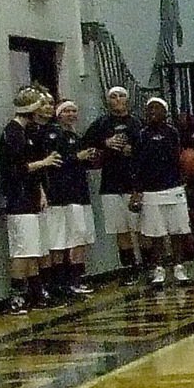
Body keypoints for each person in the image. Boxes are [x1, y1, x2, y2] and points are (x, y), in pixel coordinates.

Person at [0, 87, 62, 314]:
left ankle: (37, 292)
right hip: (18, 199)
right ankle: (17, 297)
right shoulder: (13, 132)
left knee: (33, 248)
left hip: (30, 197)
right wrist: (44, 162)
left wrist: (41, 192)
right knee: (22, 250)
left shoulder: (27, 132)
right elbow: (16, 168)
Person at [81, 86, 143, 285]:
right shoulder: (101, 124)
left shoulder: (137, 123)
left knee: (141, 227)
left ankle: (149, 266)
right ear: (108, 101)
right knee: (120, 229)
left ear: (127, 99)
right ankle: (129, 268)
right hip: (111, 183)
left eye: (121, 96)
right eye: (113, 97)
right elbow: (83, 146)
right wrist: (104, 144)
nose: (117, 100)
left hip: (134, 182)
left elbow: (147, 149)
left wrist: (132, 150)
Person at [135, 97, 192, 287]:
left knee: (177, 230)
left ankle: (178, 266)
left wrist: (185, 177)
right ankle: (158, 268)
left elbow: (182, 158)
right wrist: (137, 191)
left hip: (174, 187)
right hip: (151, 191)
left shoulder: (173, 133)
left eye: (156, 108)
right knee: (156, 234)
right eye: (149, 109)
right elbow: (138, 165)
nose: (152, 112)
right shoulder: (142, 135)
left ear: (165, 112)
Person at [44, 101, 99, 299]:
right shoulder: (54, 135)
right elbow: (56, 163)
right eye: (66, 111)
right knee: (64, 239)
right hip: (63, 196)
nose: (70, 114)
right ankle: (64, 281)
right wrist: (77, 157)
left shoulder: (75, 136)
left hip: (80, 193)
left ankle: (75, 278)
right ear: (58, 114)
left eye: (74, 110)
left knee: (80, 237)